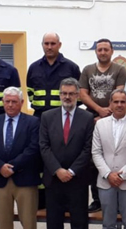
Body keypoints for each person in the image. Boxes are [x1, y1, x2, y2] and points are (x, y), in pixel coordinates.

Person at [0, 87, 41, 229]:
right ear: (3, 102)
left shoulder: (33, 122)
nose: (10, 105)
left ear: (21, 102)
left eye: (14, 101)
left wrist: (12, 166)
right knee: (3, 223)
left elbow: (33, 148)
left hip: (25, 179)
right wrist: (0, 166)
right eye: (7, 101)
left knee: (29, 223)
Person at [39, 78, 96, 229]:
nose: (67, 97)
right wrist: (58, 170)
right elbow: (44, 147)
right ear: (59, 95)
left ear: (77, 95)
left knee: (79, 223)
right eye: (64, 93)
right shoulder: (47, 117)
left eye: (71, 93)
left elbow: (88, 148)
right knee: (54, 224)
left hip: (77, 180)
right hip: (53, 180)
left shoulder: (87, 118)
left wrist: (71, 171)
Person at [79, 38, 126, 212]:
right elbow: (83, 94)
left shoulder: (119, 70)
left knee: (113, 156)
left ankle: (117, 199)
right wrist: (99, 110)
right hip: (91, 117)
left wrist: (107, 113)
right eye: (99, 50)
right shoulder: (87, 70)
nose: (103, 52)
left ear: (112, 51)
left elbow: (120, 93)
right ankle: (97, 199)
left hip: (113, 116)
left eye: (106, 49)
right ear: (96, 52)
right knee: (93, 159)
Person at [92, 90, 126, 229]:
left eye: (123, 101)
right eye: (116, 101)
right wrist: (109, 174)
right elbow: (96, 152)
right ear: (110, 103)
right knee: (108, 224)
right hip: (106, 181)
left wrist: (122, 175)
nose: (119, 105)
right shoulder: (100, 124)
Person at [27, 32, 81, 118]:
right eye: (46, 44)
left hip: (63, 115)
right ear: (42, 45)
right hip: (39, 115)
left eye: (53, 44)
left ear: (59, 45)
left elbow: (79, 93)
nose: (49, 47)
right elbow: (30, 91)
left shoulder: (71, 67)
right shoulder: (34, 67)